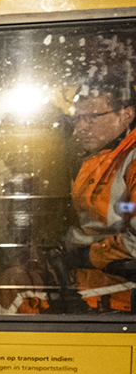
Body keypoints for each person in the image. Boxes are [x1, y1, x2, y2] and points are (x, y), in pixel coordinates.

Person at [64, 82, 136, 311]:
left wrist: (87, 256)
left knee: (14, 292)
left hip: (120, 286)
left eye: (92, 117)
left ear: (126, 115)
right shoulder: (95, 157)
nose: (81, 128)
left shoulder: (131, 159)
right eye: (78, 118)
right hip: (94, 277)